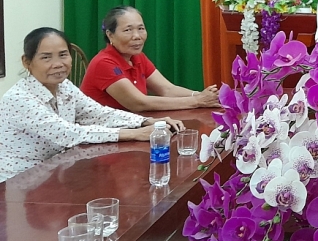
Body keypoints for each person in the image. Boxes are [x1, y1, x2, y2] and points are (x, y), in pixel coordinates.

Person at [0, 28, 184, 182]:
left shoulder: (64, 87)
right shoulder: (19, 98)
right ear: (27, 62)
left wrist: (147, 121)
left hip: (55, 173)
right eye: (46, 58)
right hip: (19, 183)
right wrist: (136, 133)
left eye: (63, 55)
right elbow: (69, 134)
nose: (58, 64)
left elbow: (98, 113)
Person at [80, 6, 220, 112]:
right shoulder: (103, 62)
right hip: (103, 132)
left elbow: (167, 89)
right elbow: (139, 103)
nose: (137, 36)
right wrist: (197, 101)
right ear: (110, 35)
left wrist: (201, 96)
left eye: (141, 28)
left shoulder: (138, 57)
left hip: (132, 126)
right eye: (128, 30)